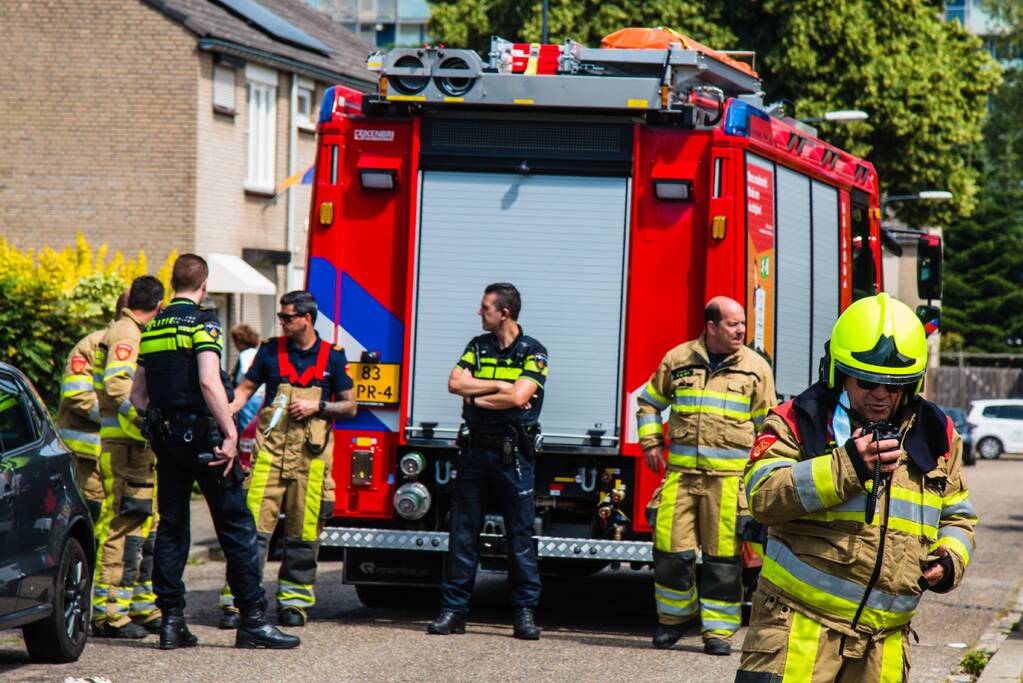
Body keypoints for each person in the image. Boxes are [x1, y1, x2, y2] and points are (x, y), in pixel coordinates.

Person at [736, 293, 977, 681]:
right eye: (867, 382)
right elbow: (763, 496)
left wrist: (950, 559)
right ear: (840, 373)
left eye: (895, 384)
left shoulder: (937, 436)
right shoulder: (798, 421)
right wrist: (846, 466)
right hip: (799, 631)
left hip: (885, 645)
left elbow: (958, 514)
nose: (881, 394)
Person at [131, 253, 299, 650]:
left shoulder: (153, 326)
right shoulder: (203, 321)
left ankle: (172, 622)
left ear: (173, 284)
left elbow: (138, 395)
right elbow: (209, 381)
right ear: (204, 285)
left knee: (172, 530)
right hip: (205, 441)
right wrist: (227, 433)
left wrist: (160, 425)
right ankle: (253, 621)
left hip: (168, 442)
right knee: (237, 529)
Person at [637, 296, 776, 656]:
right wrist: (651, 443)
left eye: (743, 323)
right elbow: (650, 401)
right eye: (733, 324)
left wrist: (765, 472)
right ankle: (674, 620)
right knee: (670, 552)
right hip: (681, 477)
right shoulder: (678, 359)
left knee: (721, 561)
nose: (741, 330)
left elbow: (769, 428)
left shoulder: (756, 368)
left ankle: (718, 632)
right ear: (711, 326)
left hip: (728, 482)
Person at [227, 290, 356, 627]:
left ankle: (294, 604)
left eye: (287, 317)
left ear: (307, 319)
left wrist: (319, 406)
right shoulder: (269, 351)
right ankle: (239, 603)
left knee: (302, 535)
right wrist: (225, 415)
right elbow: (243, 391)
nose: (281, 322)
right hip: (269, 458)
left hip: (311, 463)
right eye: (281, 317)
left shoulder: (333, 357)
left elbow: (350, 405)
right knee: (250, 533)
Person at [428, 282, 547, 640]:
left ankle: (524, 613)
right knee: (462, 534)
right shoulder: (476, 347)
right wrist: (499, 389)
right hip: (475, 451)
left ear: (504, 313)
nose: (479, 313)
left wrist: (477, 396)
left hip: (514, 455)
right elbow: (453, 383)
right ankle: (453, 612)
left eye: (485, 308)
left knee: (519, 536)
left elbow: (520, 396)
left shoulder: (534, 351)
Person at [91, 277, 165, 639]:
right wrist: (142, 419)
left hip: (135, 447)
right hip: (126, 446)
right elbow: (118, 385)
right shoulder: (128, 332)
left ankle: (133, 604)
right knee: (124, 525)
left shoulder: (131, 330)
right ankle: (108, 614)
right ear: (158, 304)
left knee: (140, 525)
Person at [57, 291, 128, 522]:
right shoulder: (91, 345)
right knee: (91, 514)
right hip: (89, 456)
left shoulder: (139, 345)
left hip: (123, 454)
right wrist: (118, 416)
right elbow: (76, 394)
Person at [230, 323, 265, 427]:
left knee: (246, 428)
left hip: (250, 399)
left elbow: (248, 374)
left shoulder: (246, 354)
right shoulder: (255, 353)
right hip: (258, 397)